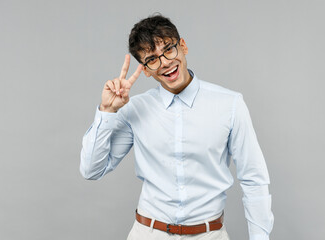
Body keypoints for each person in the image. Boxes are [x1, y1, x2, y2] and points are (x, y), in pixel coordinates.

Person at [80, 14, 274, 240]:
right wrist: (107, 111)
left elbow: (254, 179)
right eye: (152, 59)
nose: (164, 63)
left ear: (183, 46)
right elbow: (91, 170)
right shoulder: (135, 108)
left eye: (169, 49)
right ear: (145, 70)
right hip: (148, 234)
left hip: (208, 235)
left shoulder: (230, 104)